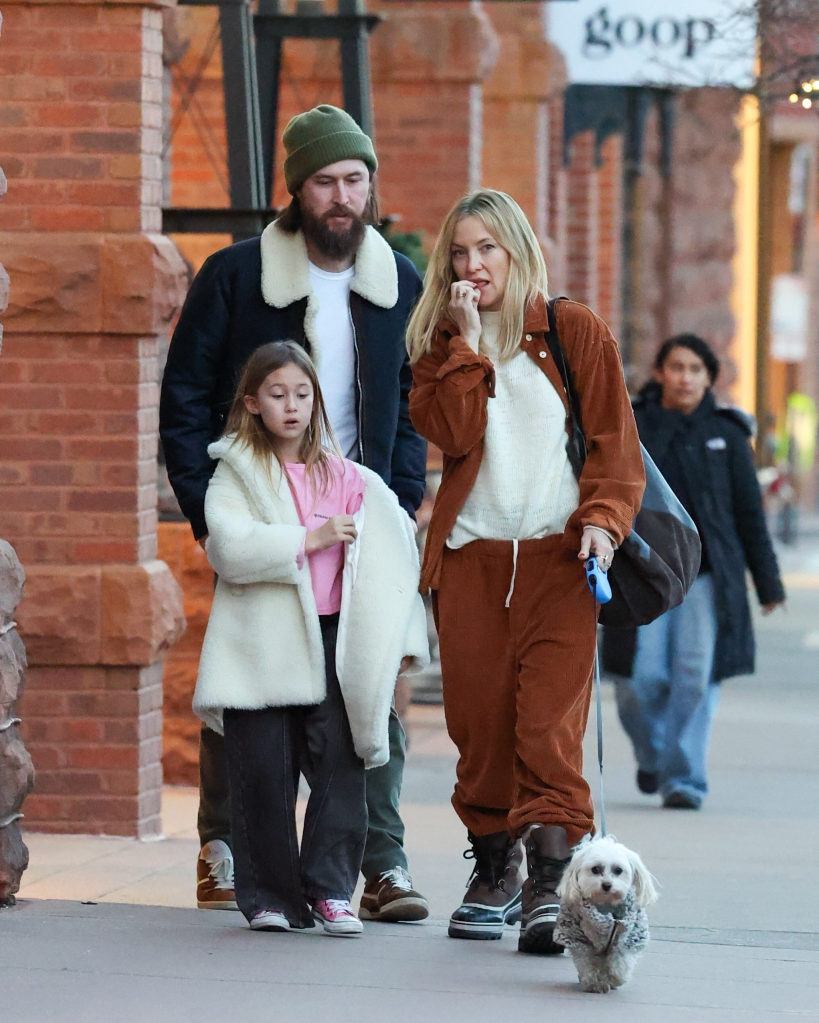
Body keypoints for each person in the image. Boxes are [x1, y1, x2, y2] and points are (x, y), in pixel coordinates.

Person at [159, 104, 430, 921]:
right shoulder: (237, 275)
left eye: (355, 179)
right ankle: (225, 848)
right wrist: (213, 516)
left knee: (366, 689)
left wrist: (401, 500)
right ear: (297, 191)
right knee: (252, 687)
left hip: (358, 524)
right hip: (262, 516)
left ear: (370, 186)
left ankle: (377, 864)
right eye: (325, 181)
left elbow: (410, 408)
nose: (342, 196)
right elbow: (184, 397)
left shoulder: (398, 282)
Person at [406, 189, 645, 953]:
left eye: (487, 249)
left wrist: (603, 526)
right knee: (478, 727)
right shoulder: (440, 344)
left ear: (516, 250)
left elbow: (614, 446)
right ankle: (494, 868)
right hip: (470, 561)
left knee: (546, 724)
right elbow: (454, 430)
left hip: (558, 558)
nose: (472, 265)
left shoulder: (571, 331)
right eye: (459, 252)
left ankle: (550, 881)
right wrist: (468, 344)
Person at [192, 341, 429, 934]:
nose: (292, 406)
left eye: (303, 393)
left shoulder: (350, 478)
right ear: (252, 403)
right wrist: (308, 539)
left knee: (340, 764)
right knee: (262, 770)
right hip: (263, 644)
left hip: (336, 640)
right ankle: (270, 896)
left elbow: (395, 552)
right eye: (277, 394)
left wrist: (399, 638)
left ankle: (331, 893)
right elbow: (228, 547)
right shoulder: (235, 473)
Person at [604, 334, 786, 810]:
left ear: (708, 377)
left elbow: (749, 515)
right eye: (676, 367)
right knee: (639, 680)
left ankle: (685, 779)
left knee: (695, 675)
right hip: (644, 574)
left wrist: (768, 584)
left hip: (706, 578)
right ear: (661, 372)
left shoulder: (726, 433)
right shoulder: (634, 425)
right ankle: (656, 757)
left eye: (695, 369)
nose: (685, 377)